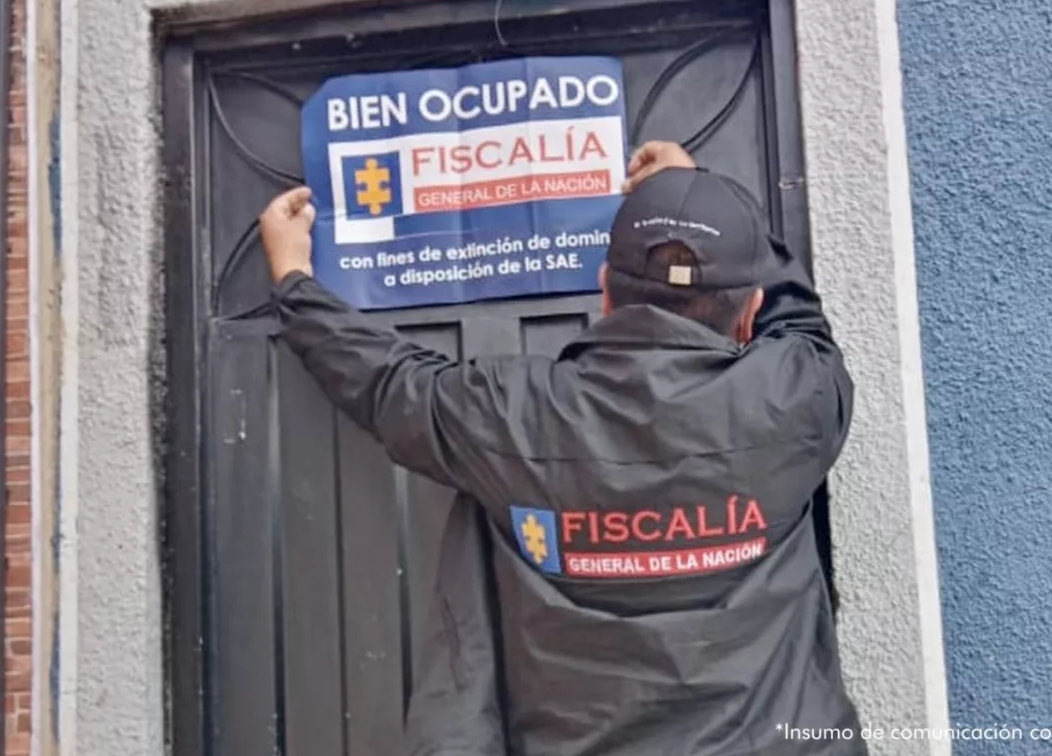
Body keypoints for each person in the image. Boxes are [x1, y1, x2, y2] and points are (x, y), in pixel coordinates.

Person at [261, 140, 866, 755]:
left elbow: (391, 384)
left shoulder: (512, 412)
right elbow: (801, 322)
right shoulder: (799, 399)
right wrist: (699, 189)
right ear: (750, 313)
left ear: (605, 291)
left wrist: (294, 283)